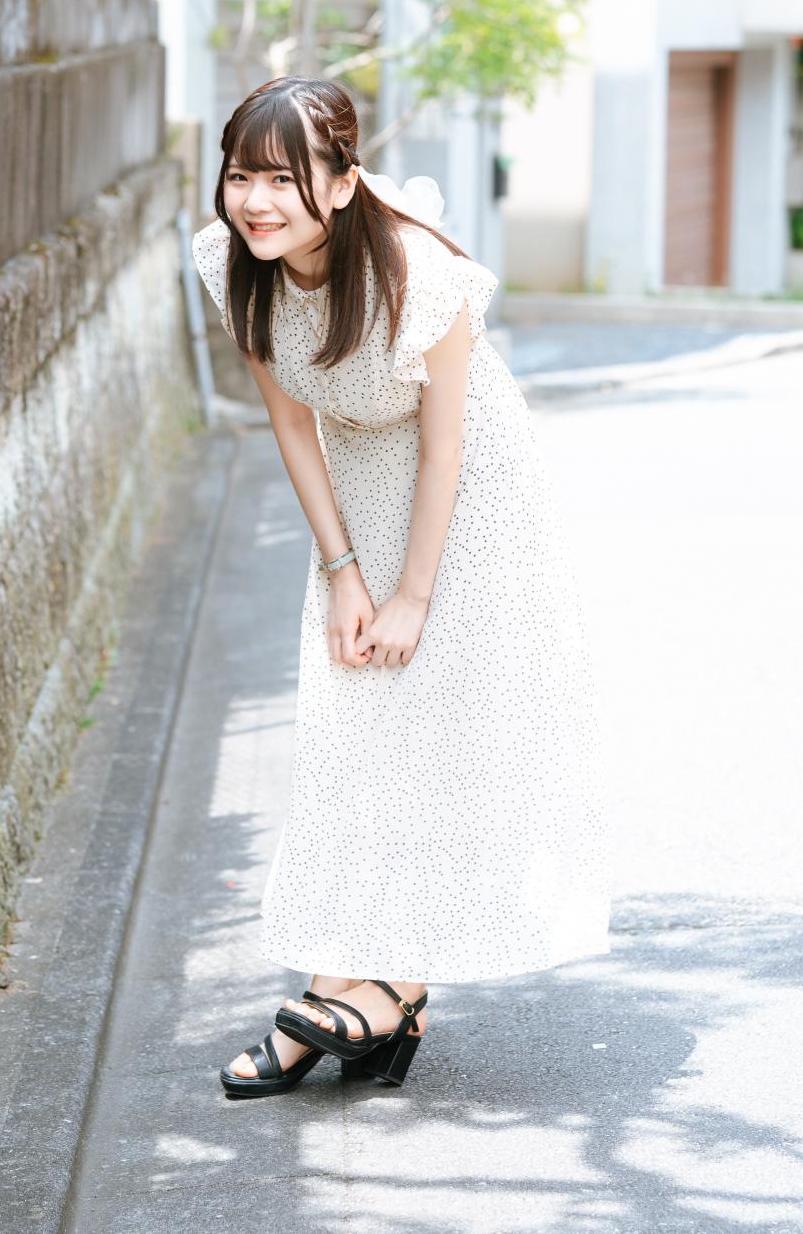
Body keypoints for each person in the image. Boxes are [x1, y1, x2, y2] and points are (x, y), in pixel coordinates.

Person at [191, 75, 609, 1099]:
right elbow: (292, 424)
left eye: (282, 180)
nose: (255, 202)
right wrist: (343, 573)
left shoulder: (420, 276)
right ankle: (347, 987)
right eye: (241, 176)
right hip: (359, 487)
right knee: (351, 725)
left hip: (468, 497)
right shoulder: (236, 265)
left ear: (342, 184)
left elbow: (447, 448)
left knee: (434, 729)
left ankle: (391, 984)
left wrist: (413, 595)